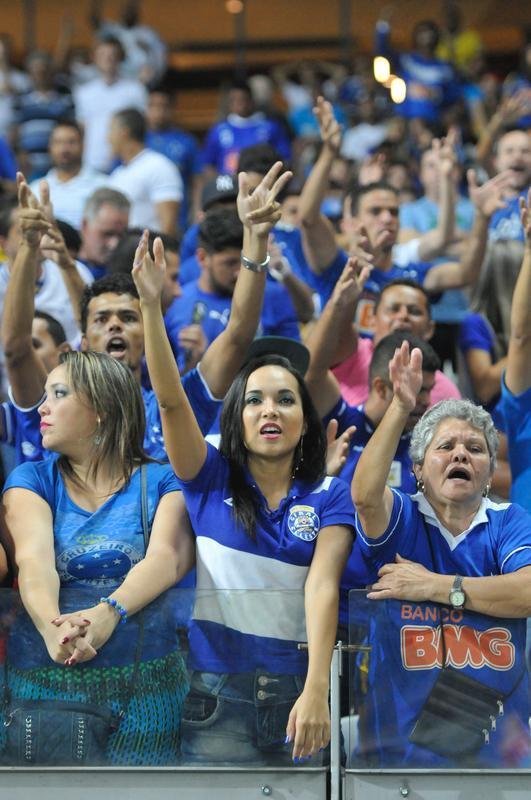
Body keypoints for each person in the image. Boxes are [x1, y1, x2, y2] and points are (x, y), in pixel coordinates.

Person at [131, 170, 355, 764]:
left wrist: (315, 689)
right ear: (235, 418)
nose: (270, 410)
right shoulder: (207, 476)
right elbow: (174, 400)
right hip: (214, 698)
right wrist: (151, 309)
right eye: (254, 399)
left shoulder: (330, 493)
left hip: (296, 695)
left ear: (305, 421)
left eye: (286, 399)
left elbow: (324, 585)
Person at [2, 350, 195, 764]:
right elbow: (34, 562)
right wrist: (53, 628)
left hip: (147, 690)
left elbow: (166, 558)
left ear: (101, 410)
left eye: (59, 393)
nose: (43, 406)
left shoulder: (161, 479)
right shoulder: (31, 478)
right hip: (43, 687)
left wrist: (108, 614)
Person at [349, 341, 531, 767]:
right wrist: (400, 407)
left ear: (488, 472)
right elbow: (363, 496)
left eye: (475, 448)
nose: (461, 454)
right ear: (417, 468)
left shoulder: (508, 521)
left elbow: (527, 591)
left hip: (498, 756)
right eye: (446, 447)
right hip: (399, 752)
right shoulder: (405, 515)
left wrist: (434, 586)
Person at [108, 107, 182, 234]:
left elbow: (168, 227)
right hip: (123, 251)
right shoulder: (117, 174)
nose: (107, 137)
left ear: (123, 132)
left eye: (111, 130)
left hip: (149, 251)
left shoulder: (159, 167)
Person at [29, 121, 108, 231]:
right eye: (58, 142)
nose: (64, 149)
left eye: (71, 142)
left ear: (83, 145)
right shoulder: (35, 189)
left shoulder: (103, 186)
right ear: (50, 147)